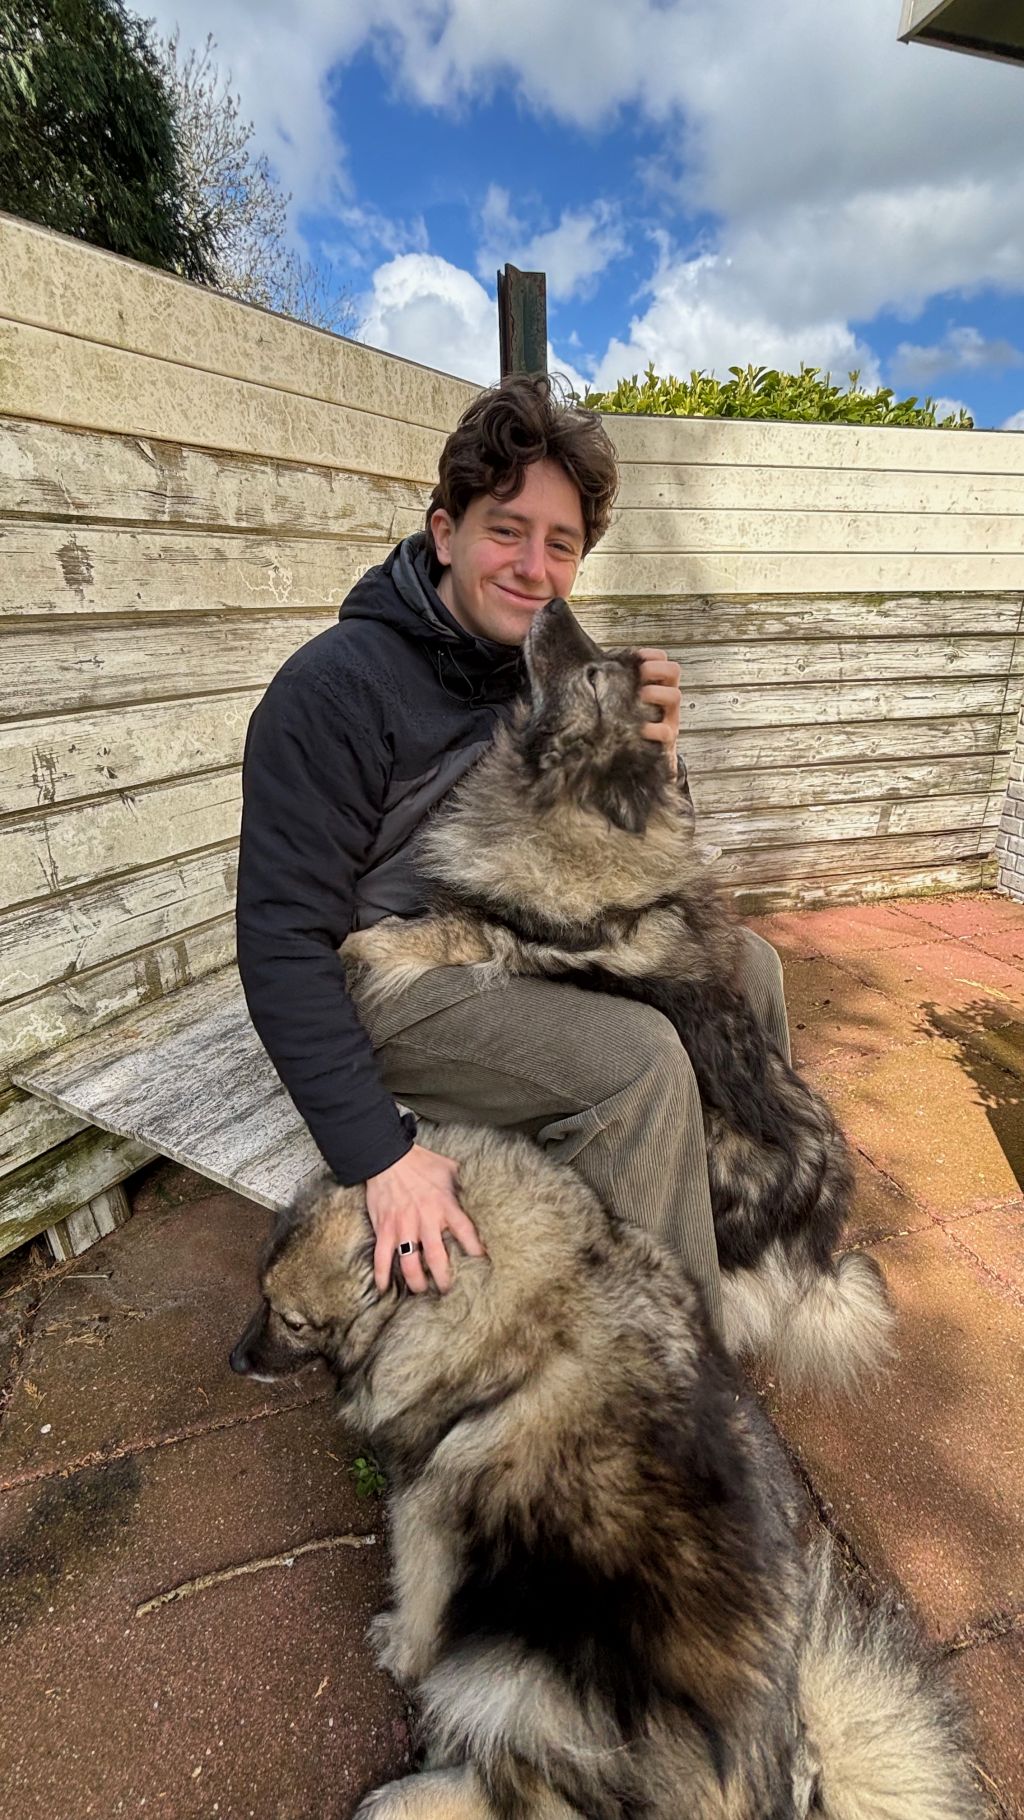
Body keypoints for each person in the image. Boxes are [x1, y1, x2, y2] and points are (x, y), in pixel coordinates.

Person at [236, 375, 790, 1334]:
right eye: (506, 530)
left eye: (561, 544)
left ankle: (751, 1241)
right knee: (640, 1066)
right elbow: (282, 940)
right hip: (400, 972)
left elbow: (639, 859)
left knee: (753, 968)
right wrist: (379, 1156)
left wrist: (659, 766)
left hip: (527, 942)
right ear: (445, 532)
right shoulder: (333, 690)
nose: (535, 568)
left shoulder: (552, 667)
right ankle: (672, 1358)